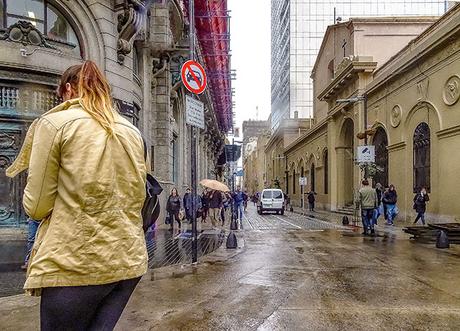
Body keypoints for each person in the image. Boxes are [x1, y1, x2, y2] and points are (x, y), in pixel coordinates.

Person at [17, 61, 148, 330]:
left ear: (67, 89)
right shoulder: (132, 132)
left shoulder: (55, 123)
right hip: (127, 261)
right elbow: (139, 194)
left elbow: (37, 205)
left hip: (75, 263)